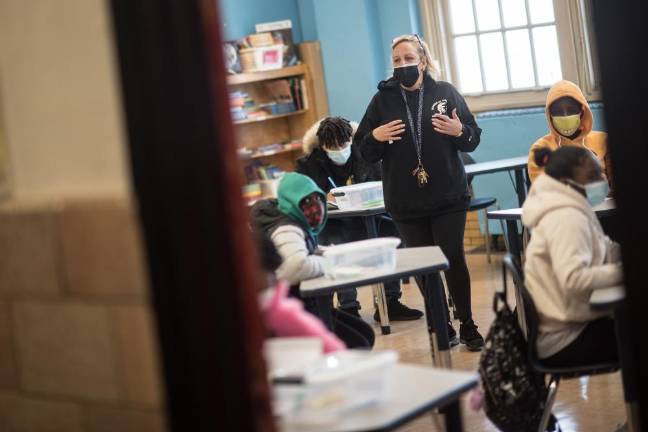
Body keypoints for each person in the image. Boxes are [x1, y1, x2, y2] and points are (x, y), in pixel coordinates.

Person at [356, 34, 484, 351]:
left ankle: (467, 323)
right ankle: (440, 322)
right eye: (397, 60)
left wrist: (460, 132)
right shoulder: (382, 100)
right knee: (424, 266)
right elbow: (362, 151)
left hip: (449, 195)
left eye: (408, 58)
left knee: (452, 258)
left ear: (423, 60)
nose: (403, 65)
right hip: (405, 201)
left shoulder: (445, 92)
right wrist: (375, 135)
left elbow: (472, 139)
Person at [296, 116, 423, 321]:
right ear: (322, 146)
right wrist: (320, 196)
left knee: (393, 234)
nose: (338, 149)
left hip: (370, 218)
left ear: (351, 139)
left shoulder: (365, 153)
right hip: (334, 223)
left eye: (343, 143)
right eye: (331, 145)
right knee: (336, 244)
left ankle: (390, 301)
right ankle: (348, 307)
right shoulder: (308, 164)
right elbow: (303, 196)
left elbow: (384, 183)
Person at [251, 172, 375, 349]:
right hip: (301, 306)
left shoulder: (295, 221)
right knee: (358, 344)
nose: (314, 209)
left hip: (312, 303)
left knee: (365, 333)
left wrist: (324, 253)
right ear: (292, 203)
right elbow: (294, 267)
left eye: (317, 200)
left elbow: (301, 252)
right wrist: (331, 262)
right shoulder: (287, 228)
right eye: (306, 203)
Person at [522, 146, 622, 365]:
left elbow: (605, 248)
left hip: (573, 325)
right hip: (566, 338)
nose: (601, 180)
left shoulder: (573, 206)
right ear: (567, 181)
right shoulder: (566, 217)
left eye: (601, 172)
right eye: (592, 175)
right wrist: (623, 272)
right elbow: (573, 279)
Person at [527, 80, 612, 185]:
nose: (565, 116)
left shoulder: (602, 140)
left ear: (582, 111)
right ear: (550, 115)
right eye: (558, 111)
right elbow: (544, 190)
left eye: (571, 110)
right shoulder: (541, 148)